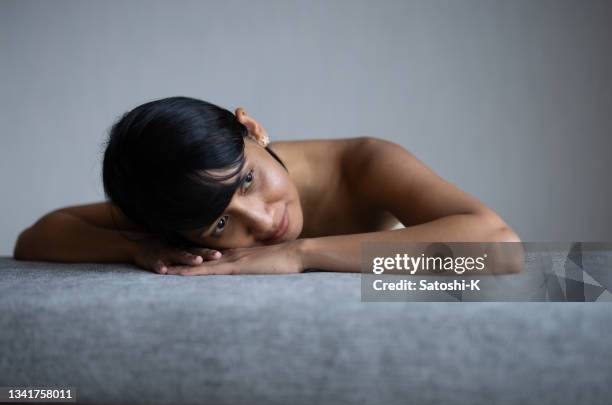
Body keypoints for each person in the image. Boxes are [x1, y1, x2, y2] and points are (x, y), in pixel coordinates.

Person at [13, 96, 522, 275]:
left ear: (252, 129)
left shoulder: (364, 162)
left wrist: (300, 255)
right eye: (218, 223)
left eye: (249, 179)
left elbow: (500, 246)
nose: (261, 219)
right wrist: (138, 248)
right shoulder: (173, 204)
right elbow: (38, 236)